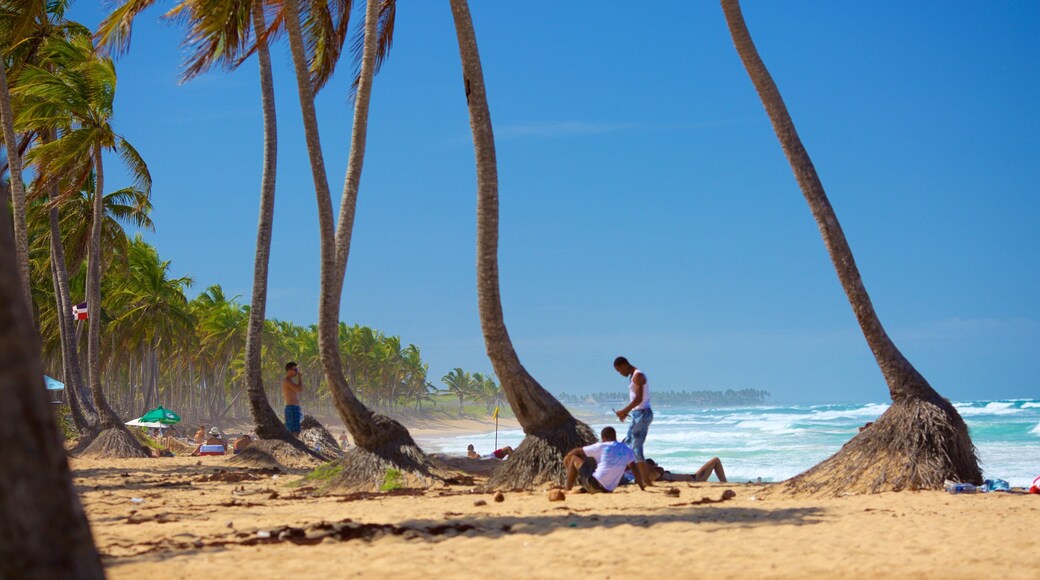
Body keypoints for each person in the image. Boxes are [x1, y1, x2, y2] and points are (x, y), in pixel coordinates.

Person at [613, 356, 654, 487]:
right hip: (638, 414)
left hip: (641, 414)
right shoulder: (633, 376)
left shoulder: (638, 376)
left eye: (620, 371)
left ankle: (646, 480)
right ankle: (637, 477)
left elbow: (639, 399)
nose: (620, 374)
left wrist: (624, 411)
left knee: (636, 448)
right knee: (629, 444)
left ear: (624, 365)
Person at [565, 426, 643, 493]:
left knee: (573, 458)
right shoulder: (627, 449)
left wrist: (567, 458)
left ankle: (568, 489)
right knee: (596, 472)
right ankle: (583, 488)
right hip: (608, 490)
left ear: (604, 438)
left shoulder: (602, 446)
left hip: (595, 485)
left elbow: (576, 451)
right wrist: (642, 487)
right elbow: (635, 469)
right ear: (614, 436)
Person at [646, 457, 728, 483]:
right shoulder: (657, 473)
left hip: (693, 477)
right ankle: (724, 483)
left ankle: (724, 482)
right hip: (695, 480)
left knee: (716, 461)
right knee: (715, 460)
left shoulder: (658, 474)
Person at [282, 361, 304, 435]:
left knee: (296, 431)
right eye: (295, 370)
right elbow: (299, 389)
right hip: (291, 408)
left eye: (297, 370)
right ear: (289, 370)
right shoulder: (287, 381)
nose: (297, 372)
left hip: (294, 407)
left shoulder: (290, 381)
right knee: (293, 431)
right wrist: (300, 378)